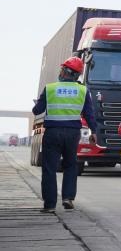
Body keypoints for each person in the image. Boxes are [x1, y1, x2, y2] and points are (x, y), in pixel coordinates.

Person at [31, 57, 98, 213]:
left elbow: (37, 111)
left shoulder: (50, 88)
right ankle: (67, 198)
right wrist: (94, 132)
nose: (60, 72)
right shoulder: (83, 91)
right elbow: (89, 114)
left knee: (49, 168)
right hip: (72, 133)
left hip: (53, 132)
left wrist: (37, 103)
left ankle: (50, 205)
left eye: (62, 69)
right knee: (70, 165)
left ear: (66, 71)